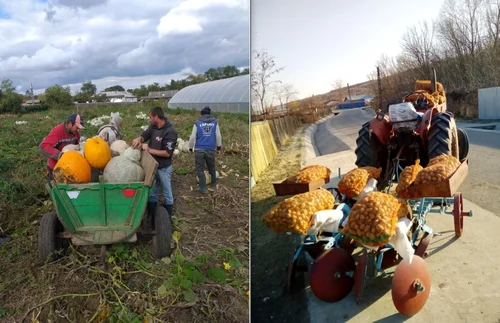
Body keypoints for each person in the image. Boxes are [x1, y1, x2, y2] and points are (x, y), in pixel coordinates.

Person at [131, 107, 178, 224]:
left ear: (156, 117)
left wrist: (149, 149)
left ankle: (166, 222)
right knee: (152, 193)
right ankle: (151, 219)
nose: (150, 119)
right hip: (152, 167)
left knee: (167, 193)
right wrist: (139, 139)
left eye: (151, 117)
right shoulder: (153, 127)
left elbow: (167, 153)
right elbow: (145, 135)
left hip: (163, 168)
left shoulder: (170, 131)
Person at [39, 113, 85, 181]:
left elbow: (76, 148)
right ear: (69, 123)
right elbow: (43, 146)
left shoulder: (76, 133)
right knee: (57, 189)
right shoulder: (57, 131)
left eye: (79, 128)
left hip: (68, 168)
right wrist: (60, 155)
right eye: (77, 127)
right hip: (55, 168)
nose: (78, 130)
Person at [188, 106, 222, 193]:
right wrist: (218, 147)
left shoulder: (197, 122)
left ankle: (203, 188)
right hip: (210, 148)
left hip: (199, 149)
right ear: (209, 114)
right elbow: (218, 135)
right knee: (212, 167)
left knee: (200, 169)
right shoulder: (215, 122)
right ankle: (214, 185)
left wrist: (191, 147)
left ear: (201, 114)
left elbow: (192, 137)